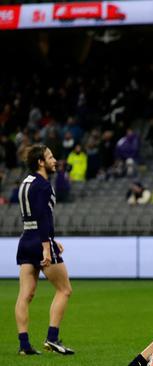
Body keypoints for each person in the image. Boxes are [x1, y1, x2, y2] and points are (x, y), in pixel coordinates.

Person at [15, 144, 74, 356]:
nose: (54, 160)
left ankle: (24, 345)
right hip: (40, 243)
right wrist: (47, 246)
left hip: (25, 240)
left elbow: (31, 218)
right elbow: (43, 217)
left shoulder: (25, 182)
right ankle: (52, 338)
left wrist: (49, 240)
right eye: (50, 157)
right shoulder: (44, 185)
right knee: (64, 290)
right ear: (41, 162)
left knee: (25, 295)